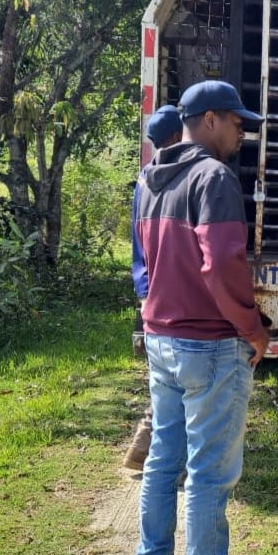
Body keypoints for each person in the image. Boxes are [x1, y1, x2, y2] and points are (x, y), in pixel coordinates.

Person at [135, 80, 269, 555]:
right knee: (209, 475)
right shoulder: (214, 178)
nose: (242, 133)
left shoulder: (150, 178)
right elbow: (222, 264)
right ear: (210, 119)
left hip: (161, 337)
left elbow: (148, 258)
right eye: (237, 123)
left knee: (163, 463)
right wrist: (253, 328)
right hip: (210, 344)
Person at [123, 105, 184, 472]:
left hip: (149, 286)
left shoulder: (146, 178)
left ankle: (143, 445)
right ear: (178, 137)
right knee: (180, 377)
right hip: (172, 288)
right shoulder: (176, 176)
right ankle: (161, 454)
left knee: (164, 374)